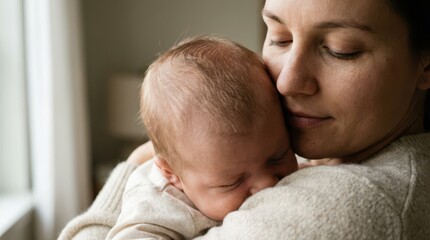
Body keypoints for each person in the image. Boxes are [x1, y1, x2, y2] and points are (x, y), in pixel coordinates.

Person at [59, 0, 430, 239]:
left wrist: (135, 166)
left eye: (340, 50)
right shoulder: (324, 156)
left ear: (424, 62)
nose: (287, 81)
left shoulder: (345, 208)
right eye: (280, 38)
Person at [105, 36, 298, 239]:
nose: (267, 183)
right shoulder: (158, 203)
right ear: (172, 173)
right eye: (233, 181)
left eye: (278, 156)